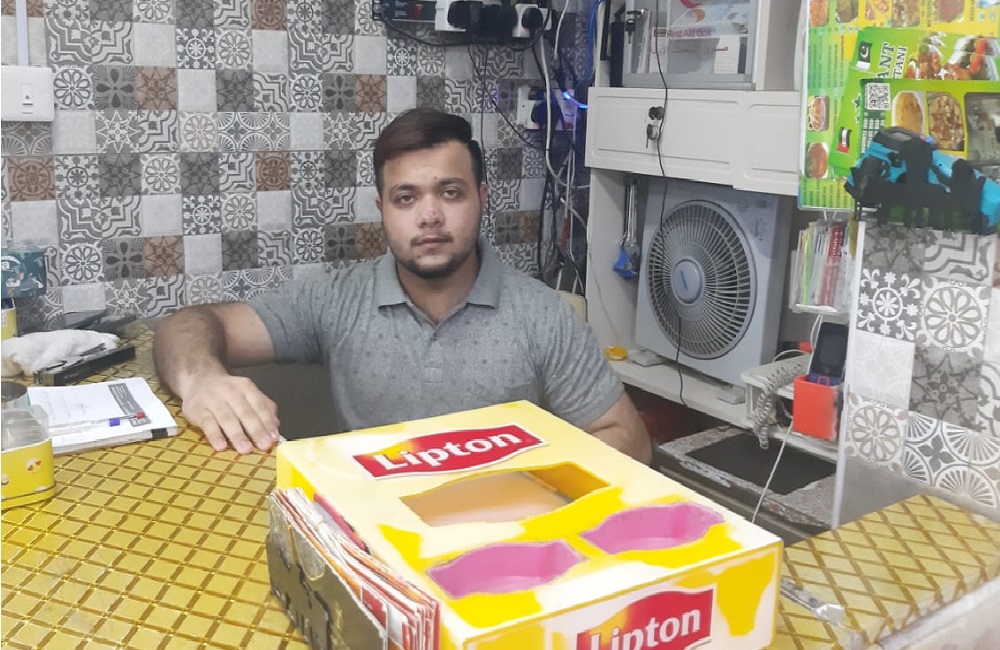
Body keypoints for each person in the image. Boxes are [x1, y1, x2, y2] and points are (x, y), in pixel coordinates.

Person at [154, 108, 651, 463]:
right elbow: (187, 325)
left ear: (481, 198)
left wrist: (527, 493)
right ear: (383, 210)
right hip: (375, 541)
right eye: (406, 198)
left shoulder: (543, 316)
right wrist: (202, 380)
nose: (429, 216)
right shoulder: (335, 299)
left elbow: (628, 440)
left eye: (450, 193)